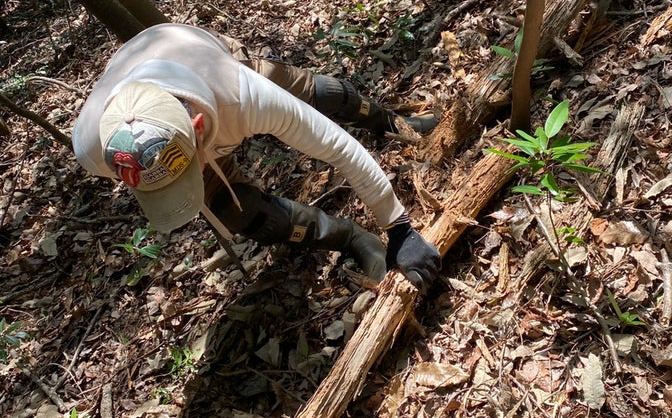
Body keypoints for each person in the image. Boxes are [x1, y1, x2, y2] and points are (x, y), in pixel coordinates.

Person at [72, 23, 441, 285]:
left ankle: (396, 125)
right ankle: (352, 238)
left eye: (187, 170)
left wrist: (400, 229)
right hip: (145, 81)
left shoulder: (243, 94)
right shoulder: (94, 151)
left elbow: (337, 146)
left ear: (198, 127)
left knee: (323, 94)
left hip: (205, 56)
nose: (192, 179)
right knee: (242, 214)